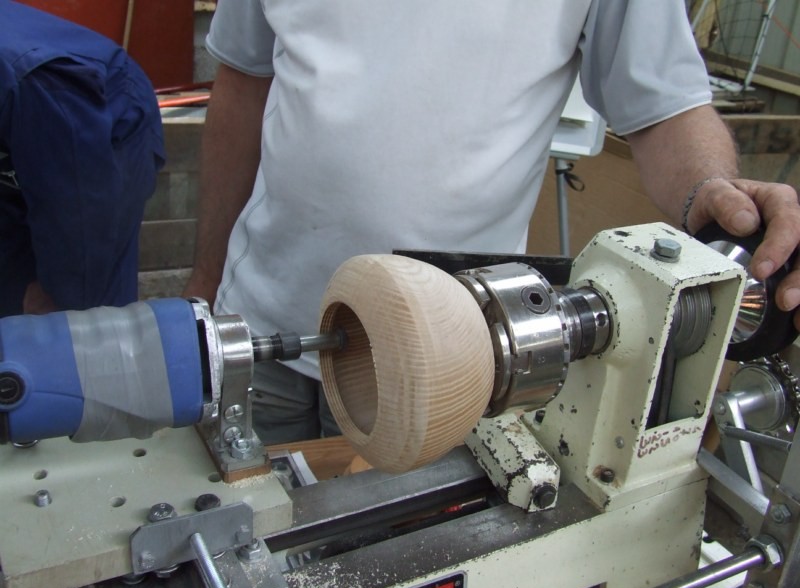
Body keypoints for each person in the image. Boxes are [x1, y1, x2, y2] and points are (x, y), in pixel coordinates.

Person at [184, 1, 800, 444]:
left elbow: (662, 107)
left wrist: (713, 191)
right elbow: (243, 84)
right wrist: (206, 281)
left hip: (448, 356)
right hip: (258, 328)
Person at [0, 0, 165, 317]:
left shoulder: (27, 76)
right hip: (27, 124)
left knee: (78, 313)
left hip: (95, 124)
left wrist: (59, 293)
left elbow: (76, 197)